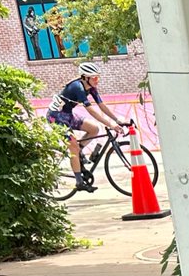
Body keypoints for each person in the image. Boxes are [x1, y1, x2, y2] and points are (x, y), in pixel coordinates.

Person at [45, 61, 128, 190]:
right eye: (94, 77)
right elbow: (91, 110)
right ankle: (79, 182)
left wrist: (116, 120)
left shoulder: (91, 88)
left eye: (98, 77)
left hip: (67, 114)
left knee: (94, 129)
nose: (97, 80)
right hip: (56, 117)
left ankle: (79, 151)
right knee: (73, 147)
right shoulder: (77, 87)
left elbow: (101, 105)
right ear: (85, 77)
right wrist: (110, 124)